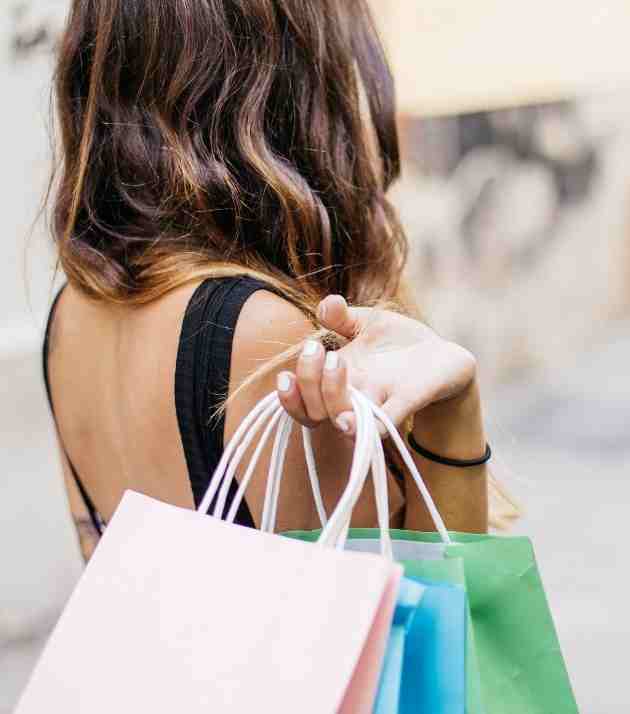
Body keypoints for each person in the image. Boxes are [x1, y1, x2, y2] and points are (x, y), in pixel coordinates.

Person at [42, 0, 505, 561]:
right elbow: (427, 621)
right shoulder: (264, 334)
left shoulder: (71, 312)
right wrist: (454, 413)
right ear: (299, 83)